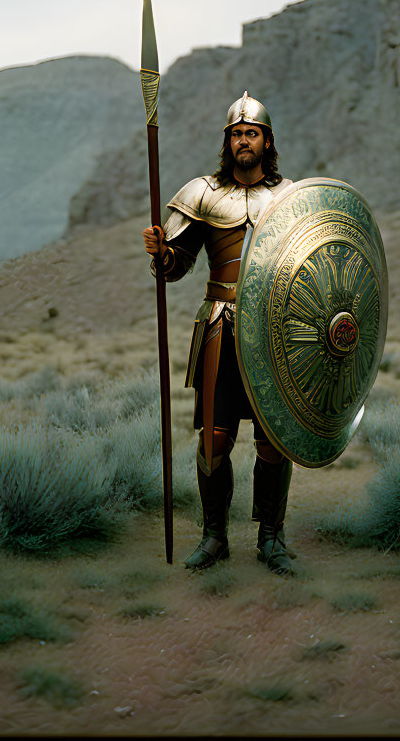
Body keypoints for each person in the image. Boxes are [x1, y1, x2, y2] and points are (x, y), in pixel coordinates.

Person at [142, 92, 297, 575]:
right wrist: (162, 252)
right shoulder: (204, 194)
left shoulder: (289, 196)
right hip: (220, 326)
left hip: (272, 330)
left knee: (273, 439)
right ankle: (214, 538)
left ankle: (271, 539)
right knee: (213, 439)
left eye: (251, 133)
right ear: (227, 142)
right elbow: (177, 266)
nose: (243, 141)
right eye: (236, 134)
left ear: (266, 141)